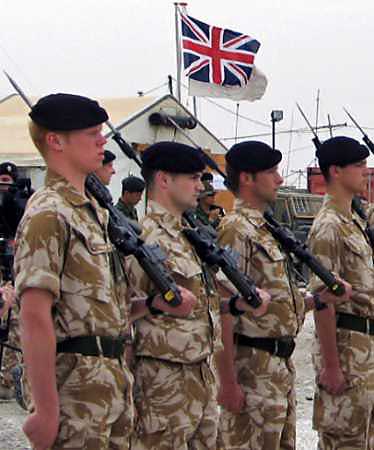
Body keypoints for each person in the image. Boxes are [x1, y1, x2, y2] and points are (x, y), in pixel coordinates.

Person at [129, 141, 269, 450]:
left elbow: (196, 306)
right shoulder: (143, 239)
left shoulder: (186, 237)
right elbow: (120, 313)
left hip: (200, 377)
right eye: (192, 178)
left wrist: (234, 303)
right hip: (161, 384)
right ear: (164, 180)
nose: (200, 187)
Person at [216, 140, 352, 450]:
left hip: (278, 367)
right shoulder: (236, 229)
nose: (279, 179)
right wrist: (228, 382)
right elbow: (223, 309)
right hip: (251, 369)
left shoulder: (265, 229)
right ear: (248, 178)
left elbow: (271, 302)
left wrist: (315, 301)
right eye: (271, 171)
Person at [307, 136, 374, 450]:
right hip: (346, 352)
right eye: (359, 165)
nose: (366, 171)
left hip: (365, 352)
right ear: (335, 171)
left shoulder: (353, 222)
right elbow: (323, 300)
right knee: (344, 440)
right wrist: (331, 366)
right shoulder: (328, 226)